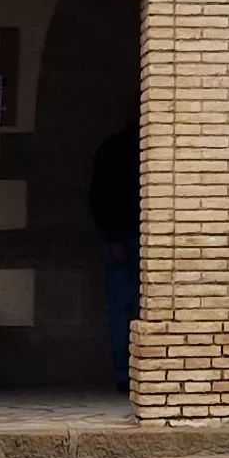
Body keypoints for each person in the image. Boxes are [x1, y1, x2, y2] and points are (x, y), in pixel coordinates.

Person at [87, 125, 141, 388]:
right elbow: (100, 195)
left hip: (140, 238)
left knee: (131, 309)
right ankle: (124, 374)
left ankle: (133, 372)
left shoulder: (116, 146)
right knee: (122, 309)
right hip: (125, 237)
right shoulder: (116, 148)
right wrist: (112, 237)